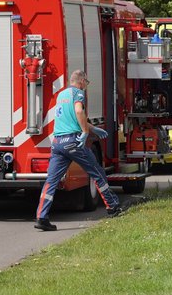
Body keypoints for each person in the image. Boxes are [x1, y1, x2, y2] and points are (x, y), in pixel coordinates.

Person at [35, 69, 125, 231]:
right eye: (86, 82)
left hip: (58, 143)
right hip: (73, 141)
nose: (86, 85)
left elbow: (73, 118)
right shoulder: (78, 93)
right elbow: (78, 111)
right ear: (82, 80)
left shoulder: (61, 95)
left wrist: (93, 129)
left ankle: (41, 217)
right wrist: (85, 132)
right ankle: (113, 206)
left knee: (51, 181)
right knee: (97, 172)